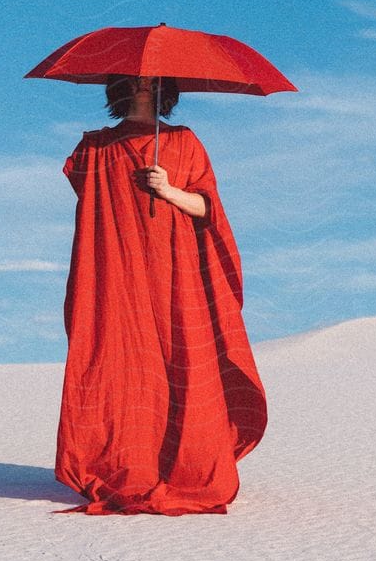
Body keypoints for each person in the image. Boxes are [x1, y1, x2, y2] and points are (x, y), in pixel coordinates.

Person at [54, 74, 268, 515]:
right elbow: (84, 187)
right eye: (134, 81)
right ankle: (122, 466)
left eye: (152, 82)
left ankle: (188, 466)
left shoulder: (185, 142)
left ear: (166, 90)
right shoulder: (95, 146)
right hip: (118, 270)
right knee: (121, 364)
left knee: (182, 358)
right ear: (117, 88)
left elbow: (208, 208)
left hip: (176, 269)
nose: (143, 88)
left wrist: (168, 189)